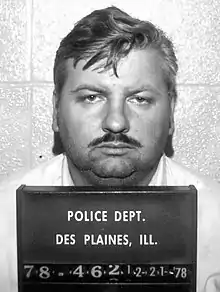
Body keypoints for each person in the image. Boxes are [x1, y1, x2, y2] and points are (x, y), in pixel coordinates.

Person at [0, 5, 220, 292]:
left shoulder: (215, 224)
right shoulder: (4, 222)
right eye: (91, 97)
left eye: (139, 99)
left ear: (172, 113)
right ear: (55, 111)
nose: (116, 122)